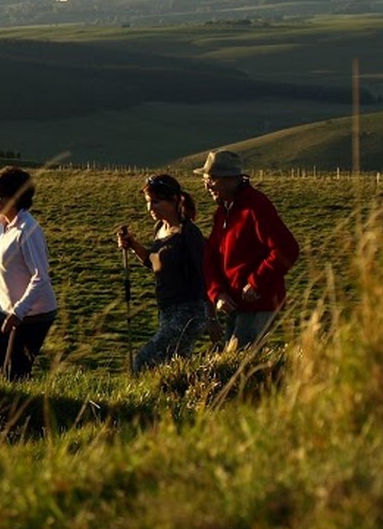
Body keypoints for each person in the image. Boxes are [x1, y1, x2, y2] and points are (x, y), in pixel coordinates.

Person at [194, 149, 299, 352]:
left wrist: (255, 283)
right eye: (206, 179)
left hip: (259, 303)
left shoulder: (256, 207)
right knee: (236, 362)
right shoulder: (223, 211)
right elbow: (211, 256)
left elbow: (286, 249)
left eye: (212, 179)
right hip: (235, 304)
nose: (207, 185)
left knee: (239, 363)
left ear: (231, 179)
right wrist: (217, 293)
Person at [116, 173, 211, 373]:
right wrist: (133, 245)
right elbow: (154, 262)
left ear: (174, 200)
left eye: (156, 202)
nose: (151, 208)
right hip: (167, 310)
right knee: (176, 367)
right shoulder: (159, 228)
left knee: (143, 361)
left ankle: (138, 401)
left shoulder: (188, 233)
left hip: (189, 311)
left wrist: (211, 317)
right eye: (149, 202)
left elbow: (204, 272)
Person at [0, 166, 58, 379]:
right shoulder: (2, 227)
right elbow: (0, 277)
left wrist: (18, 313)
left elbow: (41, 276)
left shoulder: (28, 230)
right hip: (4, 311)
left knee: (14, 374)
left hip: (34, 314)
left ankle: (21, 410)